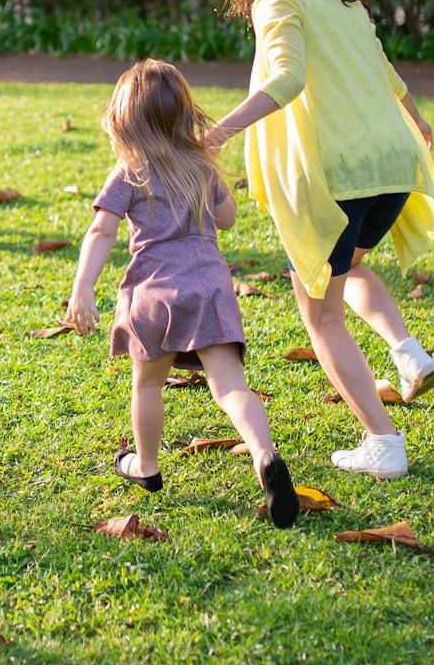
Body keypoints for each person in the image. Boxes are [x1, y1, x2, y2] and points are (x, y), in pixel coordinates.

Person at [202, 0, 434, 481]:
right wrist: (417, 121)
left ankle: (383, 442)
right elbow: (387, 72)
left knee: (321, 316)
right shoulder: (345, 3)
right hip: (391, 165)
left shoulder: (279, 0)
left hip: (337, 175)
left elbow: (285, 79)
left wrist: (220, 131)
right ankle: (405, 349)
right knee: (348, 267)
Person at [65, 60, 300, 528]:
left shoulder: (129, 171)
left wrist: (82, 289)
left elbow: (100, 231)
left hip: (152, 290)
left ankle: (146, 467)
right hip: (209, 284)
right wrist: (215, 176)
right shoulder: (201, 165)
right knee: (230, 386)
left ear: (125, 121)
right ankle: (265, 455)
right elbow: (228, 218)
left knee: (148, 383)